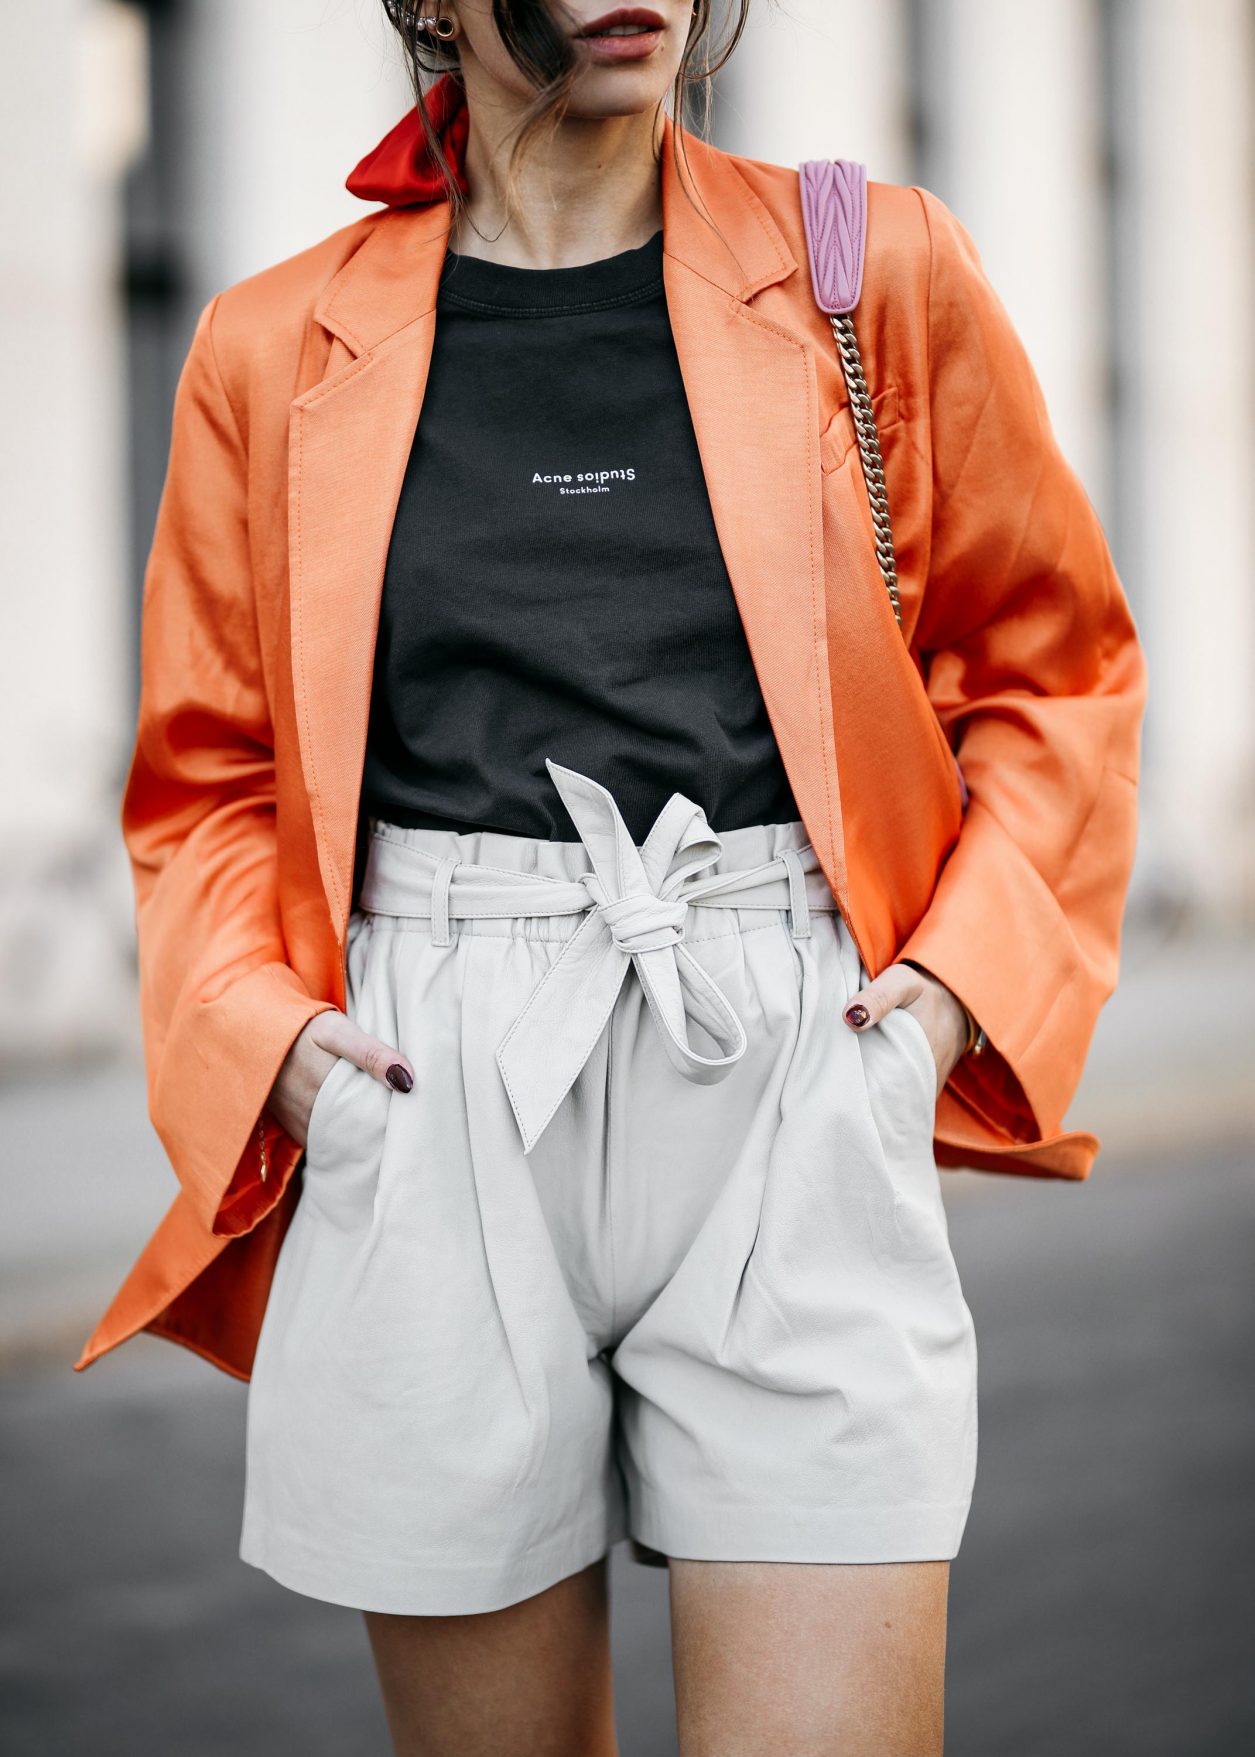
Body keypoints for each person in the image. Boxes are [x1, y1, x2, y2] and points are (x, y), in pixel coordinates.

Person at [76, 3, 1147, 1752]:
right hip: (421, 1089)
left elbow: (1055, 674)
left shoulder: (868, 270)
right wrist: (271, 1043)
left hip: (797, 1053)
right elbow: (206, 774)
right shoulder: (273, 345)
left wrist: (943, 1000)